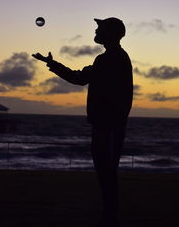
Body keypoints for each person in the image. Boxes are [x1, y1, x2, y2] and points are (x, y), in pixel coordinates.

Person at [32, 17, 133, 227]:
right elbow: (81, 78)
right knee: (106, 174)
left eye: (100, 28)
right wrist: (52, 64)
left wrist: (52, 64)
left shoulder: (110, 59)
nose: (96, 30)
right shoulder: (112, 58)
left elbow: (79, 78)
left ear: (110, 33)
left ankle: (110, 217)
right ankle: (109, 215)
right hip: (107, 125)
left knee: (107, 173)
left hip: (109, 126)